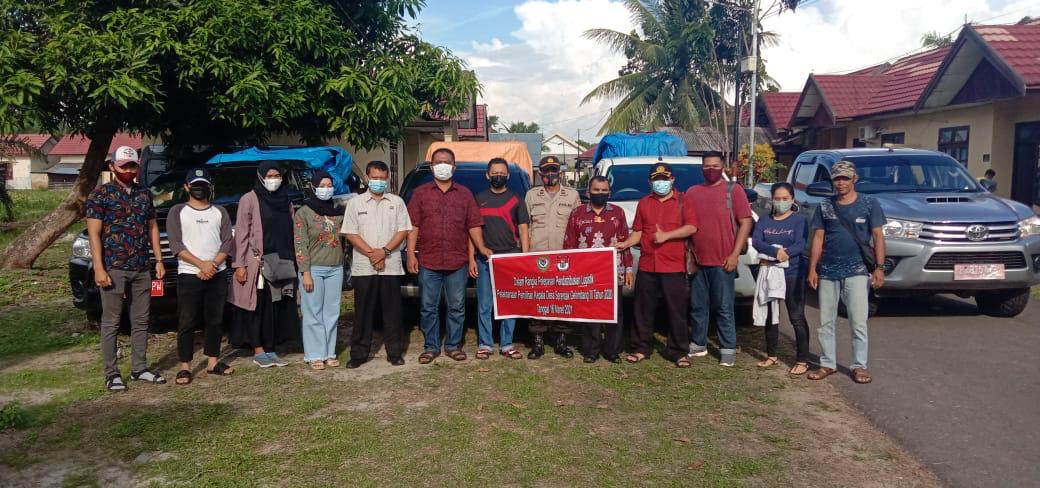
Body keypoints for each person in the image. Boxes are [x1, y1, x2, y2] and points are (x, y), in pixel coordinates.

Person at [86, 146, 167, 391]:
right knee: (111, 322)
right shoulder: (100, 195)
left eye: (132, 166)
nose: (129, 171)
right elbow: (94, 234)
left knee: (141, 320)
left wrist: (159, 259)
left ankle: (139, 368)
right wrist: (99, 268)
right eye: (124, 166)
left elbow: (152, 226)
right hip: (114, 267)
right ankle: (112, 374)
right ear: (112, 167)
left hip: (141, 266)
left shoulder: (144, 193)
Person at [407, 148, 491, 364]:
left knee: (457, 306)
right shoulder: (420, 193)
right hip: (428, 260)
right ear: (432, 166)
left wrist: (481, 248)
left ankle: (453, 345)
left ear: (454, 167)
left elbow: (473, 225)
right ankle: (431, 347)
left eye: (447, 162)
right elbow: (413, 226)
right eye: (438, 162)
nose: (443, 165)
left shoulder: (464, 194)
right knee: (428, 307)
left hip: (457, 261)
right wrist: (410, 254)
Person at [807, 161, 886, 384]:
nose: (840, 183)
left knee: (858, 321)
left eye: (845, 178)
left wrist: (880, 268)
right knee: (825, 322)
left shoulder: (869, 204)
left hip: (858, 270)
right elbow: (819, 238)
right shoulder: (825, 205)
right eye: (836, 179)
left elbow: (878, 236)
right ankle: (827, 363)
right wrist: (813, 268)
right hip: (829, 270)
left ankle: (859, 366)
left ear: (854, 179)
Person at [616, 162, 696, 367]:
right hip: (648, 264)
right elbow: (639, 232)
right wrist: (625, 243)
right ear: (650, 181)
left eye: (664, 178)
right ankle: (641, 347)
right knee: (642, 309)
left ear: (672, 180)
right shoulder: (644, 203)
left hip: (673, 264)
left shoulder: (684, 201)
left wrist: (666, 236)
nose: (661, 182)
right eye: (657, 179)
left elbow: (691, 228)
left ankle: (678, 351)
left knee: (676, 311)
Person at [684, 151, 753, 367]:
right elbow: (686, 226)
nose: (711, 169)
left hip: (724, 260)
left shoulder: (733, 191)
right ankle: (698, 343)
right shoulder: (692, 193)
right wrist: (689, 255)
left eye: (715, 165)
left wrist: (734, 254)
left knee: (724, 307)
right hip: (698, 260)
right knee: (697, 306)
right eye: (707, 166)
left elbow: (746, 222)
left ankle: (727, 348)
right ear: (701, 168)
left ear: (722, 167)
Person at [229, 161, 300, 368]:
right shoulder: (249, 199)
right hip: (257, 264)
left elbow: (292, 230)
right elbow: (241, 233)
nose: (273, 179)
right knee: (257, 306)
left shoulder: (285, 200)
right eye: (269, 175)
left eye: (277, 175)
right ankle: (258, 349)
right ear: (260, 177)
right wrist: (239, 264)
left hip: (281, 262)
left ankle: (271, 348)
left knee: (275, 306)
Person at [342, 161, 412, 368]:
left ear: (387, 178)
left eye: (382, 178)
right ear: (367, 177)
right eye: (375, 178)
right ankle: (359, 354)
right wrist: (373, 254)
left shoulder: (397, 202)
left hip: (390, 266)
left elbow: (403, 231)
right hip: (364, 266)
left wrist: (384, 252)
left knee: (392, 313)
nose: (378, 182)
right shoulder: (356, 203)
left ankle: (395, 353)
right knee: (363, 312)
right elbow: (350, 233)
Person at [167, 168, 234, 385]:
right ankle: (185, 366)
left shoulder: (220, 212)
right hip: (189, 273)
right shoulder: (177, 211)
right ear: (186, 187)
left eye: (203, 184)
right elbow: (176, 244)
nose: (199, 189)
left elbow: (227, 242)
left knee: (215, 319)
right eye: (195, 185)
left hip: (218, 272)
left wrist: (213, 264)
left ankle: (213, 361)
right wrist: (201, 264)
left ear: (210, 187)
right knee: (187, 320)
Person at [564, 176, 632, 363]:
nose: (600, 194)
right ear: (588, 192)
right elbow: (569, 243)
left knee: (614, 312)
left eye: (604, 191)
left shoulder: (617, 213)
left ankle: (612, 350)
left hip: (612, 270)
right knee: (590, 311)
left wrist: (628, 269)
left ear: (609, 192)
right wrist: (570, 271)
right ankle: (591, 350)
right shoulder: (577, 213)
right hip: (586, 273)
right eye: (596, 190)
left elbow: (625, 242)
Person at [471, 158, 529, 360]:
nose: (498, 176)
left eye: (502, 173)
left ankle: (507, 344)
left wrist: (524, 258)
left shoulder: (516, 199)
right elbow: (472, 230)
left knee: (508, 304)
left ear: (508, 176)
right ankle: (485, 344)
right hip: (485, 260)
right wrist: (472, 257)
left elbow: (523, 230)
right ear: (487, 175)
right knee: (485, 304)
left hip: (510, 259)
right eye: (494, 173)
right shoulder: (478, 199)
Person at [750, 182, 810, 375]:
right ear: (771, 199)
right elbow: (758, 242)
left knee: (796, 316)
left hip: (792, 274)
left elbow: (801, 243)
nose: (781, 202)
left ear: (792, 200)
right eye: (778, 198)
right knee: (770, 315)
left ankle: (802, 359)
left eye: (785, 199)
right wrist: (776, 252)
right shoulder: (765, 220)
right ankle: (772, 355)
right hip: (769, 273)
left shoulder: (799, 220)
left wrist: (787, 253)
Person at [525, 156, 580, 359]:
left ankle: (561, 341)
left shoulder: (572, 195)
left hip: (563, 258)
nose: (550, 174)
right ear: (540, 174)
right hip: (537, 258)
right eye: (546, 171)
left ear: (560, 172)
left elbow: (577, 226)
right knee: (538, 301)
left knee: (562, 301)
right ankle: (537, 342)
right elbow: (526, 227)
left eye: (554, 170)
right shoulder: (531, 196)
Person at [294, 170, 345, 370]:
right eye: (322, 185)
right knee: (313, 312)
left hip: (336, 267)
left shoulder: (338, 210)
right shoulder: (304, 212)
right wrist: (305, 272)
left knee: (332, 312)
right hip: (313, 269)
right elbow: (300, 244)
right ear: (313, 187)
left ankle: (329, 352)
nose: (326, 189)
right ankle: (315, 354)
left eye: (329, 185)